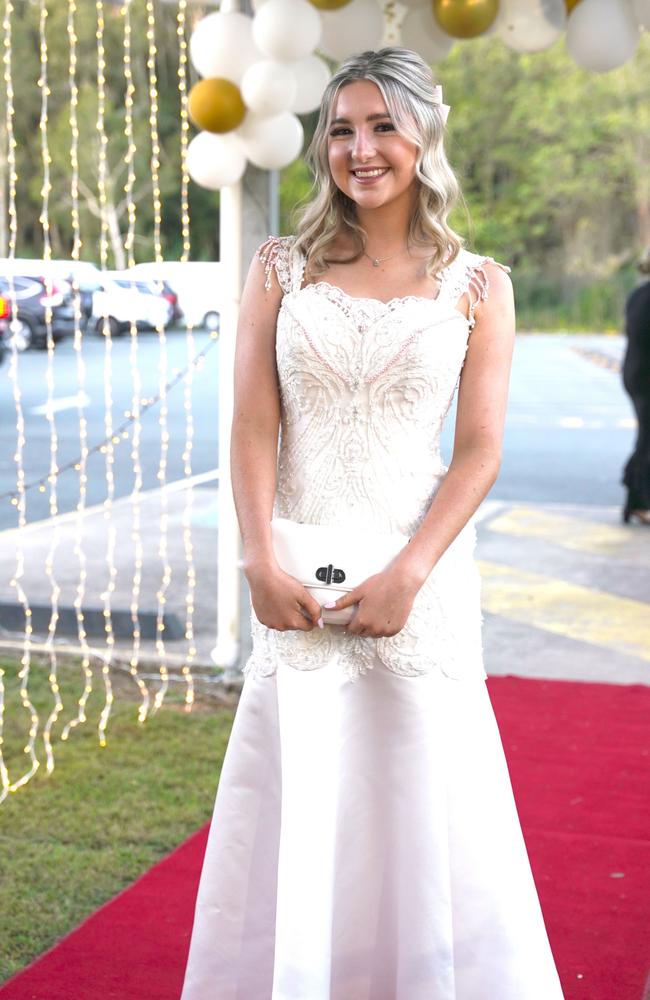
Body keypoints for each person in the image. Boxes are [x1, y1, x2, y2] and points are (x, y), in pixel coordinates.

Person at [181, 47, 564, 1000]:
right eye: (343, 127)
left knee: (420, 799)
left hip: (416, 585)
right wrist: (258, 556)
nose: (361, 148)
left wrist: (409, 573)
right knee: (305, 801)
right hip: (297, 576)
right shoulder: (282, 267)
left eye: (383, 125)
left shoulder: (481, 285)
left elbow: (478, 448)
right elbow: (254, 422)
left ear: (425, 136)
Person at [621, 246, 650, 525]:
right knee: (648, 440)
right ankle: (638, 502)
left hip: (636, 373)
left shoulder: (639, 294)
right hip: (644, 377)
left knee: (646, 438)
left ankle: (635, 496)